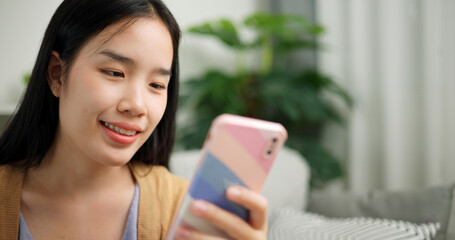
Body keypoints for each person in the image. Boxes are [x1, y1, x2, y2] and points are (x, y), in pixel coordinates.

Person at [0, 0, 268, 239]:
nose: (138, 106)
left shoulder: (186, 209)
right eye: (115, 73)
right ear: (57, 74)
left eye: (156, 85)